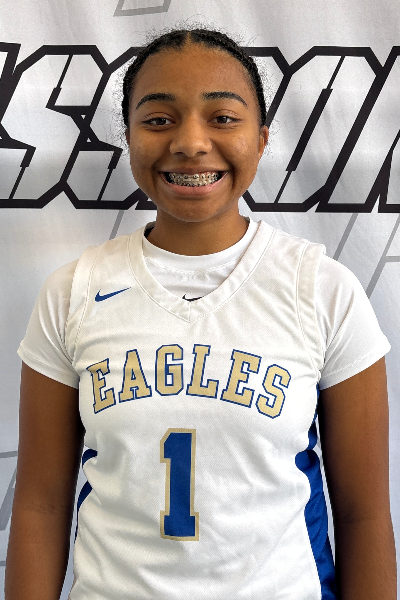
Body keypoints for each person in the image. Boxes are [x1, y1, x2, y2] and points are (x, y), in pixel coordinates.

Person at [5, 28, 396, 600]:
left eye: (223, 118)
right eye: (159, 119)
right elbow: (40, 504)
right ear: (129, 138)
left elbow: (364, 515)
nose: (190, 142)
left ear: (261, 139)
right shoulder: (74, 292)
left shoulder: (322, 290)